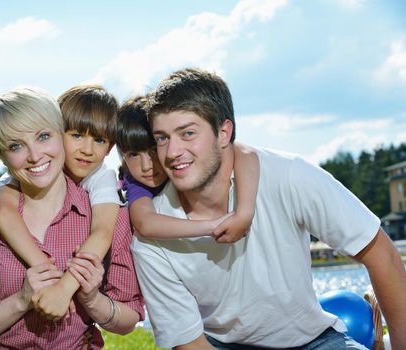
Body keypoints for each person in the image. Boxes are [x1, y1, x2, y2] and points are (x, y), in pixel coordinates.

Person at [131, 68, 406, 350]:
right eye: (162, 138)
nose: (172, 152)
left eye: (187, 133)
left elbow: (380, 255)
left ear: (224, 132)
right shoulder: (150, 238)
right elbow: (191, 345)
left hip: (314, 341)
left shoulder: (289, 175)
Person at [0, 87, 144, 349]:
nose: (35, 155)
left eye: (43, 137)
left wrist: (91, 298)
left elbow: (128, 318)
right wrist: (23, 299)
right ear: (1, 155)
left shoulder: (108, 210)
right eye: (15, 146)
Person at [0, 84, 122, 320]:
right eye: (77, 135)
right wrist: (49, 274)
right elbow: (3, 213)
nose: (87, 150)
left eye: (100, 140)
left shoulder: (101, 177)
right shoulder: (37, 166)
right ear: (56, 131)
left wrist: (64, 288)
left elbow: (102, 233)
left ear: (110, 147)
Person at [117, 95, 259, 242]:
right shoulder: (136, 184)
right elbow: (145, 223)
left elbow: (244, 152)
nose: (146, 166)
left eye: (154, 150)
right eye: (133, 154)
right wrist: (213, 226)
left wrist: (244, 214)